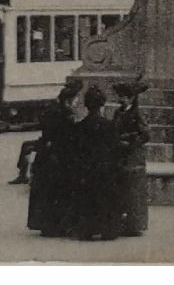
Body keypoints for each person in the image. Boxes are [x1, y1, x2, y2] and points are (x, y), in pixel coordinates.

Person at [28, 81, 82, 237]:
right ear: (68, 101)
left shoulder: (51, 111)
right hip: (60, 157)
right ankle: (59, 225)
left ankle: (46, 224)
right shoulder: (67, 115)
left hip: (46, 156)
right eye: (75, 100)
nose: (77, 102)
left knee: (47, 192)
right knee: (60, 191)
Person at [70, 85, 123, 241]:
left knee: (87, 198)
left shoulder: (79, 126)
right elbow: (115, 149)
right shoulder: (109, 126)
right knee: (105, 198)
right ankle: (107, 229)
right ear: (102, 105)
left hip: (85, 169)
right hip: (104, 168)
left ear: (86, 105)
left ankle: (87, 229)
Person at [112, 81, 151, 237]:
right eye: (120, 96)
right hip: (120, 156)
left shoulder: (137, 114)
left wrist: (130, 141)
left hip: (133, 157)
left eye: (124, 97)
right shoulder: (118, 113)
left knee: (134, 191)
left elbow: (145, 135)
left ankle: (135, 225)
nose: (121, 100)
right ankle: (124, 222)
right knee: (123, 190)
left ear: (131, 98)